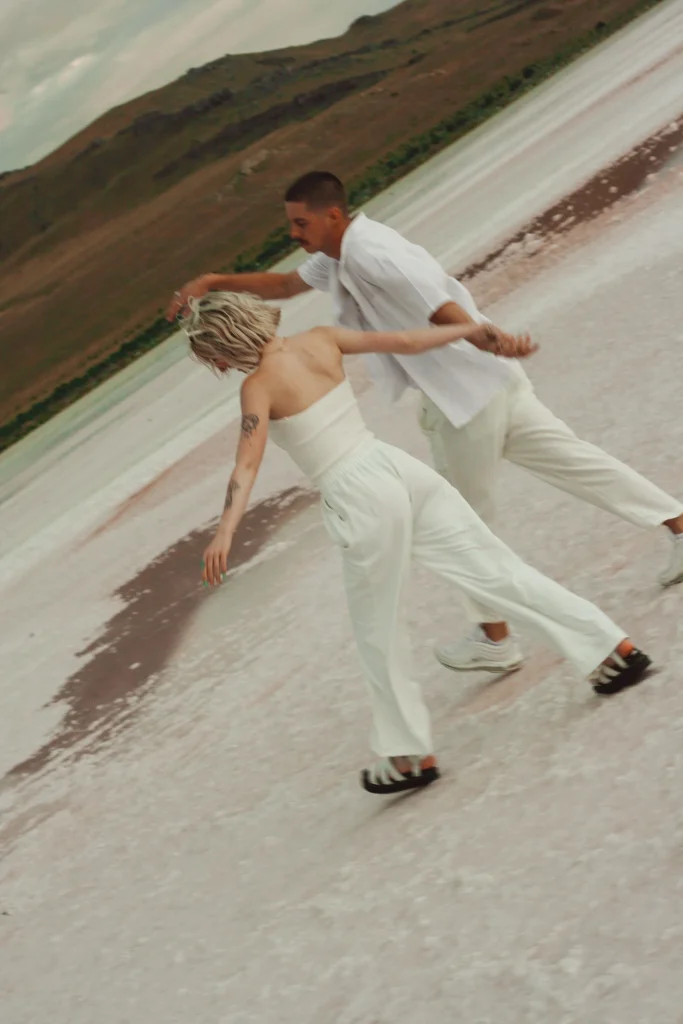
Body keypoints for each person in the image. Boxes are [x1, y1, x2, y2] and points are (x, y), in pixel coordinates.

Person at [168, 171, 683, 676]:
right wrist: (213, 281)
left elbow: (437, 304)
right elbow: (281, 284)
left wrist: (489, 335)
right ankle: (678, 526)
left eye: (300, 224)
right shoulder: (339, 256)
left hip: (461, 399)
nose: (293, 234)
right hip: (492, 383)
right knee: (576, 462)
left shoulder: (371, 253)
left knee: (461, 528)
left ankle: (495, 638)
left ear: (332, 215)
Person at [182, 290, 651, 795]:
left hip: (356, 494)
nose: (222, 366)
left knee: (378, 631)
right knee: (497, 571)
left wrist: (226, 530)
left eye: (215, 356)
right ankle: (611, 650)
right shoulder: (321, 339)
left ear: (225, 342)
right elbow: (406, 340)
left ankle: (408, 757)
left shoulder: (257, 386)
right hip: (398, 468)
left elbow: (247, 463)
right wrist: (469, 330)